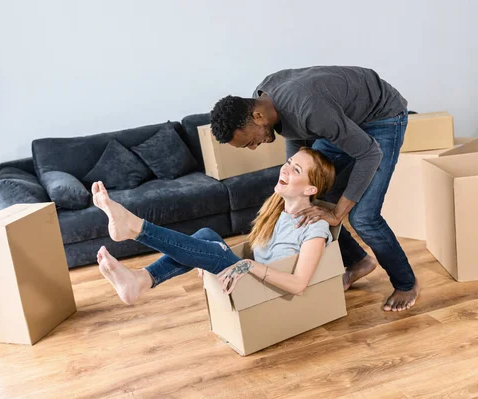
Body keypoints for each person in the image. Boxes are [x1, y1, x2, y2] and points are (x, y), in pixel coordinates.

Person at [209, 65, 420, 312]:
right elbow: (298, 143)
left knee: (363, 217)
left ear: (257, 117)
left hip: (383, 117)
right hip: (345, 119)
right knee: (311, 200)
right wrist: (293, 186)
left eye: (249, 142)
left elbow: (369, 153)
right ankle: (358, 262)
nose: (254, 147)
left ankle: (406, 284)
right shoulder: (266, 100)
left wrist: (338, 213)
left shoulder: (309, 109)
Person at [93, 148, 335, 305]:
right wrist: (201, 255)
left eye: (296, 170)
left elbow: (299, 285)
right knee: (206, 237)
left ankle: (135, 228)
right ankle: (141, 279)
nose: (285, 168)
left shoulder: (315, 228)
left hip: (269, 295)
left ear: (310, 189)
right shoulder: (277, 212)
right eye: (289, 162)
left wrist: (246, 264)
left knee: (212, 250)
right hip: (249, 280)